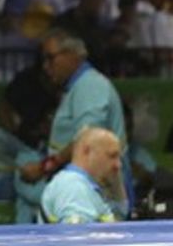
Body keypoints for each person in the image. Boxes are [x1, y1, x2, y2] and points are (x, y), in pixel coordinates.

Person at [38, 30, 129, 211]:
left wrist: (48, 165)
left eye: (50, 58)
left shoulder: (90, 85)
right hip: (87, 191)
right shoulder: (79, 87)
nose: (46, 66)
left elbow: (89, 138)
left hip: (97, 195)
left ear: (73, 55)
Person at [40, 127, 123, 224]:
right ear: (87, 151)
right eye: (112, 156)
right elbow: (76, 232)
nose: (118, 165)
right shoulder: (74, 187)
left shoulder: (81, 186)